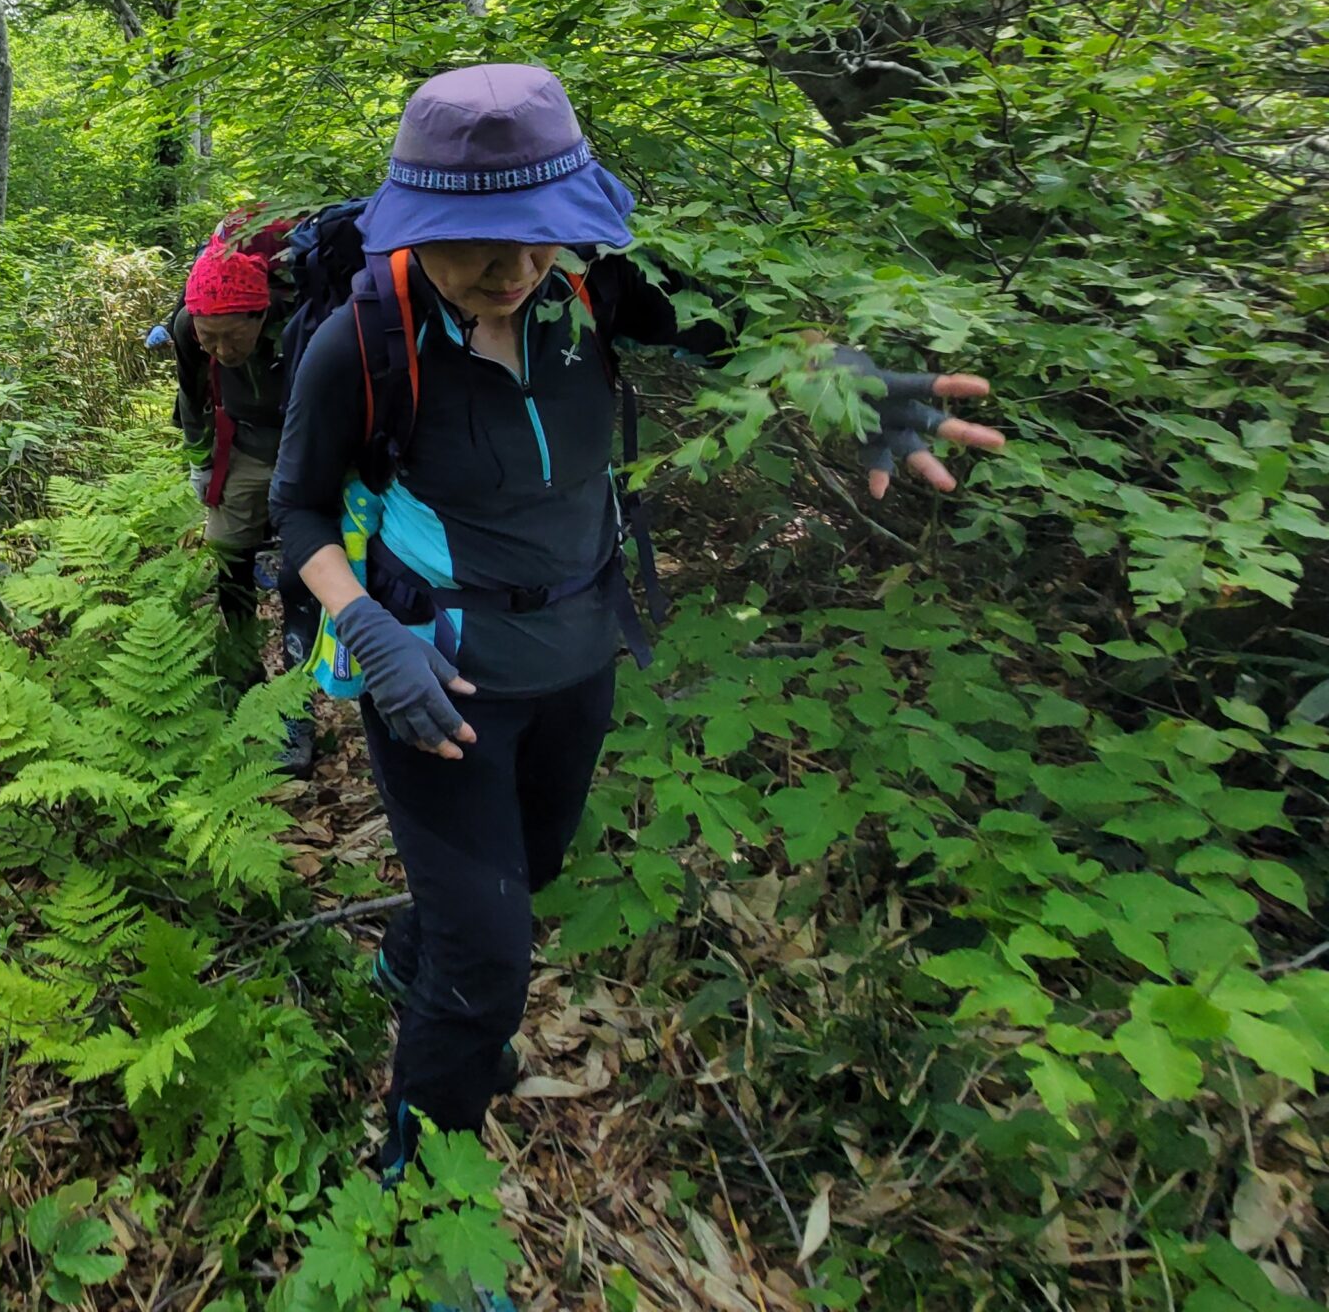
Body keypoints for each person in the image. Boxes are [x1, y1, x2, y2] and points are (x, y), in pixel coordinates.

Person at [270, 65, 1004, 1204]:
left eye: (538, 237)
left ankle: (408, 958)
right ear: (418, 228)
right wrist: (367, 630)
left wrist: (856, 384)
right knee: (487, 966)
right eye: (479, 247)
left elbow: (756, 340)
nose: (514, 271)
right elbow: (299, 509)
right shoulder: (362, 338)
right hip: (437, 679)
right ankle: (423, 1187)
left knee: (532, 868)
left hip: (579, 656)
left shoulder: (596, 291)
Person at [169, 223, 322, 774]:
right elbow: (191, 395)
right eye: (208, 338)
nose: (220, 350)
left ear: (261, 315)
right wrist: (200, 461)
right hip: (244, 446)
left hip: (307, 444)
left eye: (232, 336)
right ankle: (240, 674)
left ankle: (297, 703)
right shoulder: (188, 327)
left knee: (303, 573)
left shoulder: (302, 321)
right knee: (227, 557)